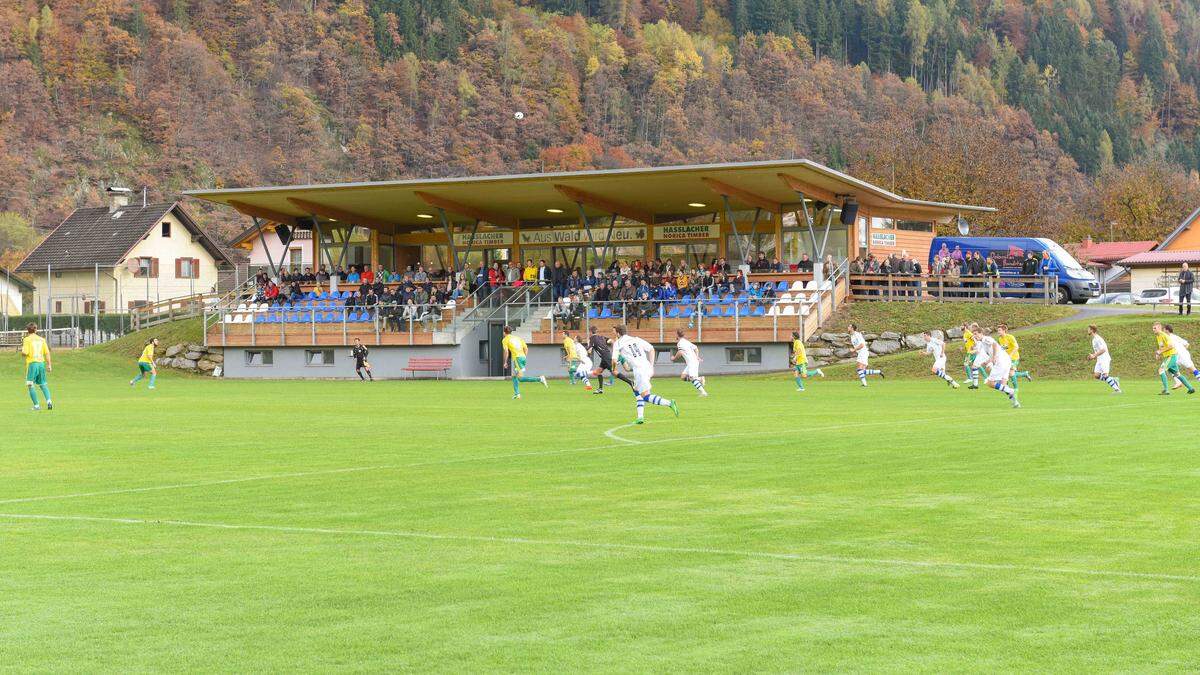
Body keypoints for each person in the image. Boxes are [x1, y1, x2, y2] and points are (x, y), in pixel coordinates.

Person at [612, 324, 678, 424]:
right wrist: (651, 366)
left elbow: (613, 359)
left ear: (617, 333)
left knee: (645, 396)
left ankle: (669, 403)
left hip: (639, 371)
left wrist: (614, 368)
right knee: (636, 390)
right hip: (646, 367)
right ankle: (640, 417)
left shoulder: (617, 343)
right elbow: (651, 349)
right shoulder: (636, 339)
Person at [977, 327, 1020, 407]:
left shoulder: (985, 339)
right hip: (1006, 360)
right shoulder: (983, 343)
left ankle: (1011, 390)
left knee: (990, 383)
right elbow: (992, 351)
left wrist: (994, 357)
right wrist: (988, 361)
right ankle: (1015, 402)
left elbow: (994, 344)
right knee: (1003, 385)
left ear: (981, 333)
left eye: (976, 334)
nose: (975, 336)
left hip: (1001, 362)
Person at [501, 325, 546, 399]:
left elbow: (506, 351)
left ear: (504, 332)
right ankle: (517, 394)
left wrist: (505, 362)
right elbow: (526, 348)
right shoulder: (518, 338)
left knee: (520, 378)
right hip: (522, 357)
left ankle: (540, 379)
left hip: (517, 359)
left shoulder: (505, 340)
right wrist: (524, 357)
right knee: (514, 376)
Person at [587, 325, 633, 395]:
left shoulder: (592, 339)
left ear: (590, 332)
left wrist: (588, 345)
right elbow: (611, 341)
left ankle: (631, 382)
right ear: (596, 331)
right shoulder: (601, 337)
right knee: (598, 372)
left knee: (614, 372)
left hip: (606, 358)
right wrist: (615, 348)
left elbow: (589, 351)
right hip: (606, 356)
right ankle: (600, 389)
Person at [1154, 322, 1194, 395]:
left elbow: (1171, 346)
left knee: (1161, 370)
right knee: (1177, 374)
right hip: (1168, 356)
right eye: (1153, 328)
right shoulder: (1158, 336)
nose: (1153, 330)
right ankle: (1190, 388)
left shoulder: (1164, 335)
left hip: (1171, 356)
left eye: (1155, 328)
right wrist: (1158, 353)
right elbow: (1162, 346)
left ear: (1159, 328)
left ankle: (1166, 390)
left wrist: (1160, 352)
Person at [20, 322, 52, 411]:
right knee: (43, 384)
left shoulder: (27, 339)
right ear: (36, 329)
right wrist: (49, 365)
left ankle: (36, 406)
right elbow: (47, 353)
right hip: (41, 363)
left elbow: (25, 353)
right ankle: (49, 402)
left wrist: (22, 352)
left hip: (32, 364)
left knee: (30, 384)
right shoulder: (42, 339)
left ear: (27, 330)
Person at [996, 323, 1032, 394]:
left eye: (999, 330)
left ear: (1004, 331)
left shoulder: (1010, 337)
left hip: (1014, 358)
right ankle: (1024, 374)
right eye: (998, 330)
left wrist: (1011, 355)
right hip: (1006, 359)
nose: (998, 332)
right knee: (1009, 373)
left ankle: (1015, 389)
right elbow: (1003, 349)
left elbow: (1016, 347)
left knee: (1011, 373)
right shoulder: (1000, 339)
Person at [672, 329, 708, 397]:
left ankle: (703, 391)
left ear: (677, 335)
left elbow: (680, 352)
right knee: (683, 377)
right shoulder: (686, 341)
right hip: (692, 362)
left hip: (692, 362)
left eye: (675, 334)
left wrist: (674, 358)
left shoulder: (680, 343)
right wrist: (697, 356)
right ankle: (700, 380)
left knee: (692, 378)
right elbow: (696, 348)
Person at [1087, 325, 1121, 393]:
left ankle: (1117, 390)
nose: (1087, 330)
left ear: (1092, 330)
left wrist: (1094, 355)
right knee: (1097, 375)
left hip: (1104, 358)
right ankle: (1113, 379)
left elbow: (1103, 350)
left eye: (1088, 329)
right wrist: (1092, 356)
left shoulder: (1097, 339)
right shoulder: (1094, 339)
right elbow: (1098, 351)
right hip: (1099, 359)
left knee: (1105, 375)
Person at [961, 323, 981, 388]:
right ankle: (986, 377)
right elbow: (967, 342)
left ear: (965, 327)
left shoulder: (968, 333)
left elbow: (974, 340)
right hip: (969, 351)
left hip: (970, 352)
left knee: (966, 364)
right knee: (977, 365)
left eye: (962, 326)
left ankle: (970, 378)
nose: (960, 327)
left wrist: (975, 346)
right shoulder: (964, 334)